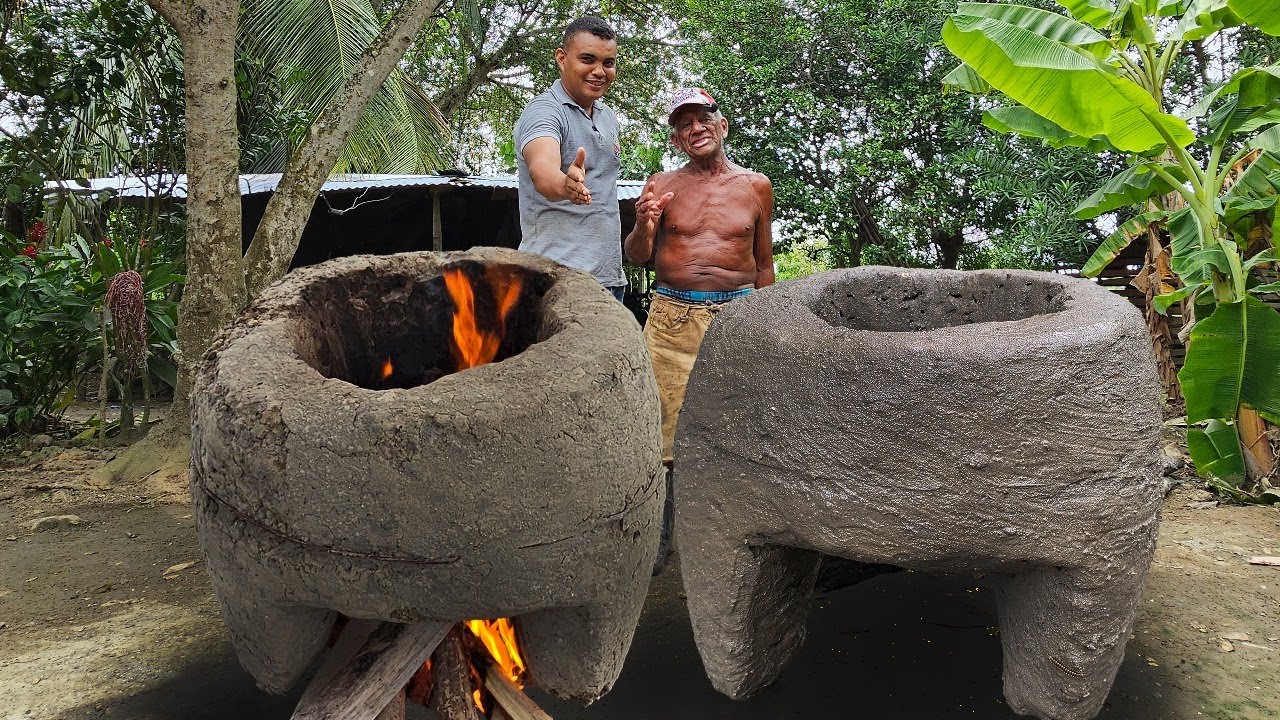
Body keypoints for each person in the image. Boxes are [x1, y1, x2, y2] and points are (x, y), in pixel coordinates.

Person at [624, 87, 775, 572]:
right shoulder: (662, 183)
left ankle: (737, 539)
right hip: (672, 319)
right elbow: (637, 256)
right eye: (684, 124)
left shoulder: (756, 187)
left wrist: (767, 323)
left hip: (738, 317)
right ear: (677, 139)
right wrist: (644, 224)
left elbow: (763, 263)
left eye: (703, 118)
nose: (695, 129)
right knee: (660, 430)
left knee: (740, 424)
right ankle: (657, 543)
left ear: (722, 125)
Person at [514, 16, 626, 301]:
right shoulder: (544, 111)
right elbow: (542, 168)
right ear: (562, 58)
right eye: (587, 59)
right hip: (558, 280)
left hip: (609, 280)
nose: (599, 71)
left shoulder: (608, 117)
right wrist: (565, 185)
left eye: (608, 63)